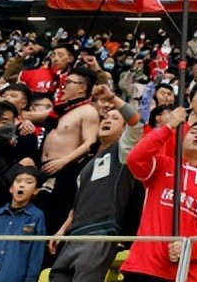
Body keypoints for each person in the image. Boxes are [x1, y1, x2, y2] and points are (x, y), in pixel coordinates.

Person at [121, 106, 197, 282]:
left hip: (183, 273)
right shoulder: (162, 166)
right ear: (182, 139)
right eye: (193, 131)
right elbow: (135, 158)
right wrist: (167, 127)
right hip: (143, 266)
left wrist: (189, 247)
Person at [49, 85, 145, 282]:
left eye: (115, 118)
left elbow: (136, 124)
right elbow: (77, 204)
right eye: (105, 117)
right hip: (73, 235)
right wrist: (62, 230)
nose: (108, 119)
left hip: (101, 232)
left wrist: (113, 99)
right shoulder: (85, 165)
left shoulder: (123, 152)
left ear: (123, 130)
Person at [38, 66, 102, 234]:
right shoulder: (61, 111)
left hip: (65, 168)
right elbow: (33, 116)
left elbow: (89, 142)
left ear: (82, 87)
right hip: (45, 167)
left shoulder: (88, 111)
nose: (63, 86)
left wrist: (63, 161)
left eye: (68, 82)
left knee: (51, 216)